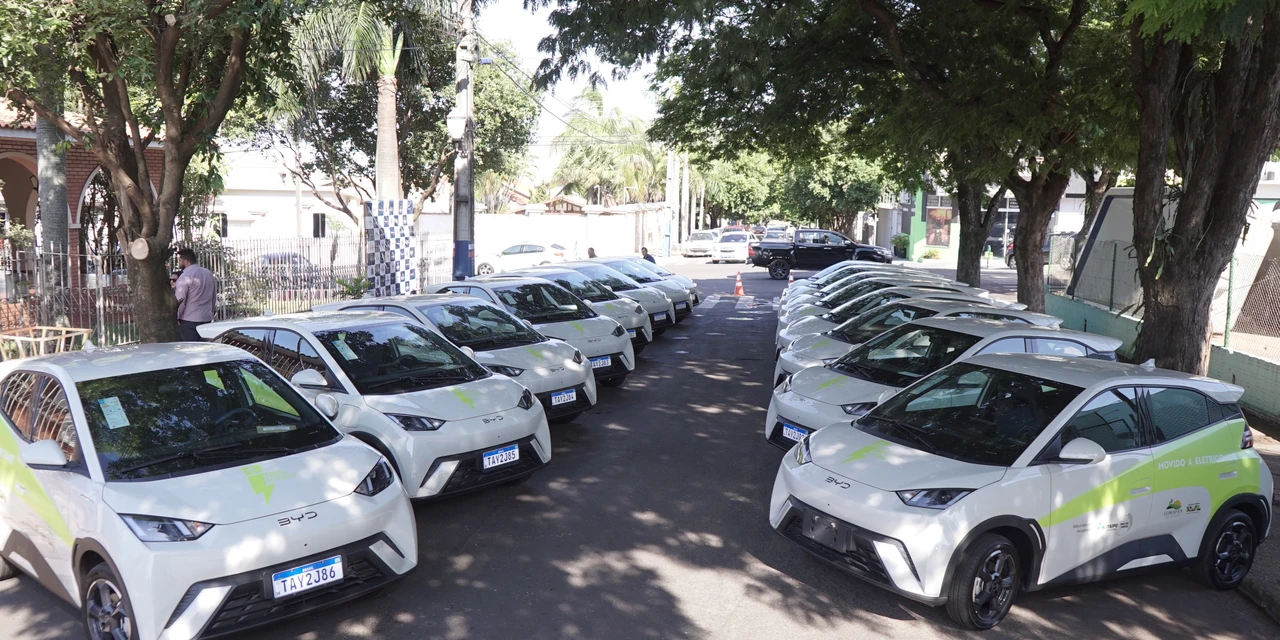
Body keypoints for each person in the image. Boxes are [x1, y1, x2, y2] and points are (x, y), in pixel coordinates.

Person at [173, 248, 216, 341]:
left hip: (189, 321)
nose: (179, 263)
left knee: (189, 350)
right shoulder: (208, 274)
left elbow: (180, 301)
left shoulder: (185, 277)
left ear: (186, 261)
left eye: (180, 260)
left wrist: (176, 317)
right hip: (206, 319)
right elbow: (213, 297)